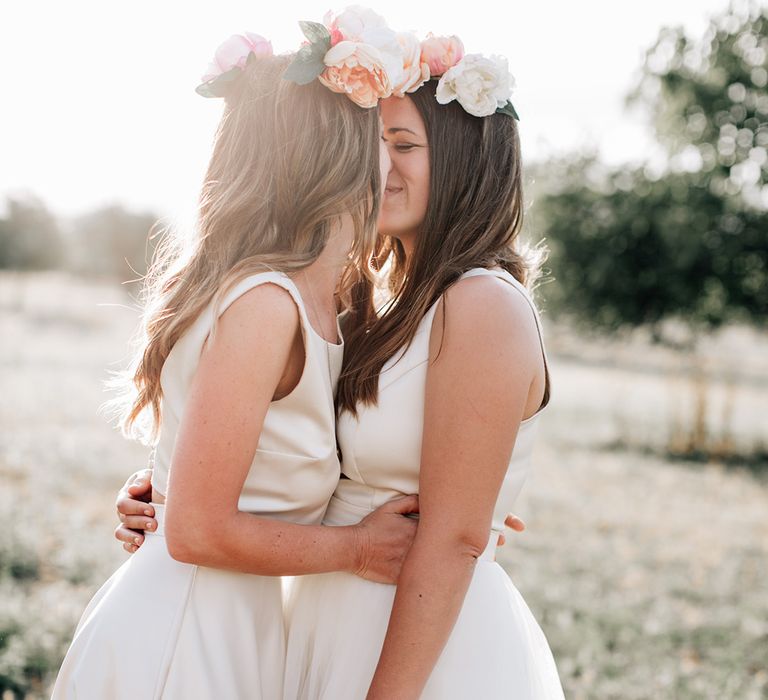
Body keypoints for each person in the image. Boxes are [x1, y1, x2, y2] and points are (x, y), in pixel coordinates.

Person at [115, 13, 564, 700]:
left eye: (404, 144)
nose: (378, 163)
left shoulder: (483, 305)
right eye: (374, 140)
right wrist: (164, 494)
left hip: (410, 649)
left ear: (467, 163)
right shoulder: (370, 300)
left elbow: (451, 542)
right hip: (318, 620)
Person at [52, 30, 420, 700]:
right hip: (188, 632)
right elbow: (195, 529)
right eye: (378, 134)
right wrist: (358, 550)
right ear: (329, 151)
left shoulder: (322, 300)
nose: (390, 160)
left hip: (238, 622)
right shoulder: (266, 305)